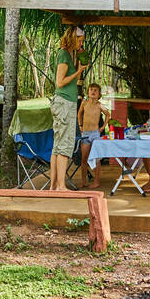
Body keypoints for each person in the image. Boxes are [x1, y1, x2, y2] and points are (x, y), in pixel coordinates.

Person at [49, 26, 89, 190]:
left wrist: (79, 63)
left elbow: (73, 80)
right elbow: (60, 82)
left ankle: (53, 186)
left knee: (57, 146)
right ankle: (60, 186)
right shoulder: (64, 54)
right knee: (64, 144)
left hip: (65, 102)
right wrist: (77, 71)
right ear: (73, 38)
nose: (82, 42)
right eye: (80, 40)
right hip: (65, 103)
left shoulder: (67, 54)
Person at [76, 82, 110, 189]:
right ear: (88, 92)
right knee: (84, 158)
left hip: (95, 134)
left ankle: (96, 181)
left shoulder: (100, 105)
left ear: (99, 94)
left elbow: (108, 115)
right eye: (91, 90)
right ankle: (84, 181)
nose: (93, 92)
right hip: (85, 133)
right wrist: (80, 125)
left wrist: (103, 127)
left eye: (95, 90)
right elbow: (79, 113)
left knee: (96, 158)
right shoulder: (84, 103)